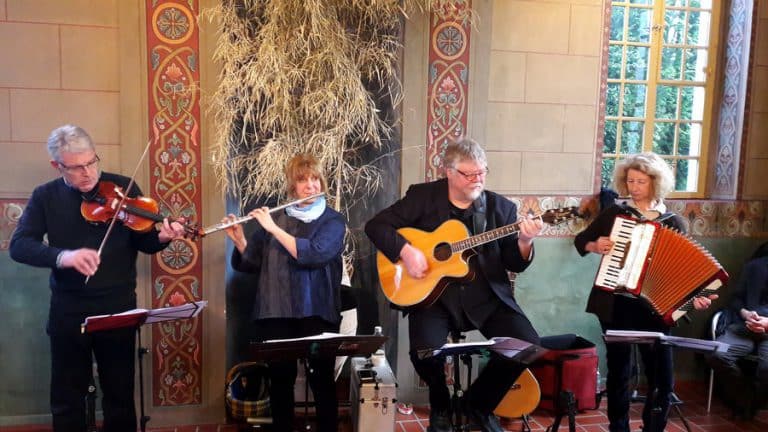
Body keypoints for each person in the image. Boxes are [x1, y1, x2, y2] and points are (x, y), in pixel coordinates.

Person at [9, 124, 188, 431]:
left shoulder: (124, 188)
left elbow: (144, 242)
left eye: (92, 162)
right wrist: (64, 257)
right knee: (67, 397)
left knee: (120, 395)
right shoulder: (45, 196)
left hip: (118, 308)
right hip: (69, 311)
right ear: (57, 166)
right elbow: (19, 246)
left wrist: (163, 236)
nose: (88, 173)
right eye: (76, 167)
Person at [365, 137, 544, 432]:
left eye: (482, 172)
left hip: (486, 298)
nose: (478, 179)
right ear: (449, 171)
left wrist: (525, 240)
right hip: (434, 299)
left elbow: (514, 262)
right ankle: (441, 403)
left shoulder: (500, 208)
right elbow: (376, 226)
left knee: (527, 344)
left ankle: (478, 405)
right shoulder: (423, 197)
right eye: (469, 174)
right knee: (423, 353)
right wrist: (406, 252)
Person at [574, 152, 714, 432]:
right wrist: (595, 246)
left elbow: (684, 271)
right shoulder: (615, 213)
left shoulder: (673, 222)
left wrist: (694, 299)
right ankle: (619, 427)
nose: (634, 187)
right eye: (630, 181)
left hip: (654, 308)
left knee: (662, 377)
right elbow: (581, 241)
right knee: (620, 372)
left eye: (641, 182)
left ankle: (653, 426)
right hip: (616, 303)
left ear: (655, 183)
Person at [223, 153, 346, 432]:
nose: (311, 185)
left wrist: (273, 228)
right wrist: (240, 240)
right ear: (292, 186)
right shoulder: (276, 218)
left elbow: (314, 254)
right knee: (280, 380)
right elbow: (253, 263)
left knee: (322, 381)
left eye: (315, 179)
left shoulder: (333, 221)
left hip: (317, 309)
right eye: (303, 180)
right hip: (276, 309)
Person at [706, 242, 768, 418]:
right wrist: (745, 313)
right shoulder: (754, 266)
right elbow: (735, 299)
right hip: (743, 328)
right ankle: (744, 398)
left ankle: (753, 404)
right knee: (716, 354)